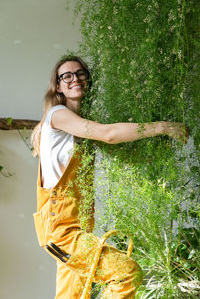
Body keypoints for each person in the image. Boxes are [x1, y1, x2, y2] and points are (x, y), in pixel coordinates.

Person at [31, 55, 188, 299]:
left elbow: (118, 144)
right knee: (126, 273)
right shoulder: (58, 115)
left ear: (88, 80)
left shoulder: (78, 126)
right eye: (67, 76)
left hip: (79, 226)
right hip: (63, 230)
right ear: (58, 86)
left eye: (80, 73)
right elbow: (109, 134)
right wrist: (162, 127)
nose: (75, 79)